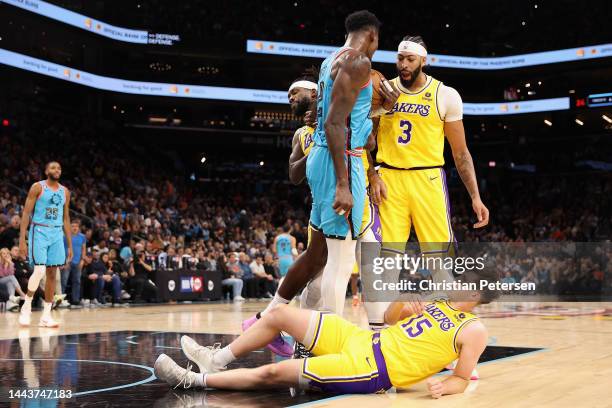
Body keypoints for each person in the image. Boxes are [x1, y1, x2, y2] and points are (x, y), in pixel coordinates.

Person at [153, 269, 498, 397]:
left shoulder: (474, 329)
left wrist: (444, 388)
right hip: (363, 338)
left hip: (372, 368)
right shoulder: (438, 301)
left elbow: (462, 379)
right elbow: (392, 318)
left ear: (478, 294)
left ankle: (193, 382)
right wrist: (402, 303)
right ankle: (216, 359)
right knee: (281, 313)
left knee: (275, 373)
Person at [370, 35, 489, 285]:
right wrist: (372, 174)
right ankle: (378, 324)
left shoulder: (445, 95)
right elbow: (364, 138)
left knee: (439, 261)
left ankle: (446, 318)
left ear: (423, 60)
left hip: (428, 178)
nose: (404, 64)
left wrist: (475, 196)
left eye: (410, 59)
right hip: (389, 179)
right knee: (386, 262)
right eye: (400, 58)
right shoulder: (382, 91)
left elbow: (461, 152)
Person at [305, 10, 379, 317]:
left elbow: (340, 118)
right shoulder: (358, 62)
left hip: (323, 156)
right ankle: (330, 341)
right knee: (340, 258)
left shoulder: (330, 59)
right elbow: (336, 123)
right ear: (372, 36)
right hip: (342, 162)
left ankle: (305, 334)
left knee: (322, 256)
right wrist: (343, 183)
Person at [19, 161, 73, 327]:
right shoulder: (37, 187)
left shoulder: (65, 191)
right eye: (53, 167)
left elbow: (66, 218)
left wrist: (69, 244)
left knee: (51, 273)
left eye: (59, 168)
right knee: (40, 269)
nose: (56, 170)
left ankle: (46, 316)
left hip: (57, 233)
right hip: (39, 231)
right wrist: (22, 240)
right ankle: (27, 305)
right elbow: (26, 213)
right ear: (46, 170)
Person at [62, 219, 86, 306]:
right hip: (67, 262)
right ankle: (61, 300)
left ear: (78, 228)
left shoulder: (82, 237)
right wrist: (65, 261)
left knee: (77, 281)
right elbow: (62, 249)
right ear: (69, 227)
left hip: (78, 262)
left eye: (76, 226)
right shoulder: (65, 237)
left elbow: (83, 249)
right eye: (73, 226)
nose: (75, 228)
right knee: (64, 281)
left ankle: (75, 300)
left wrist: (82, 260)